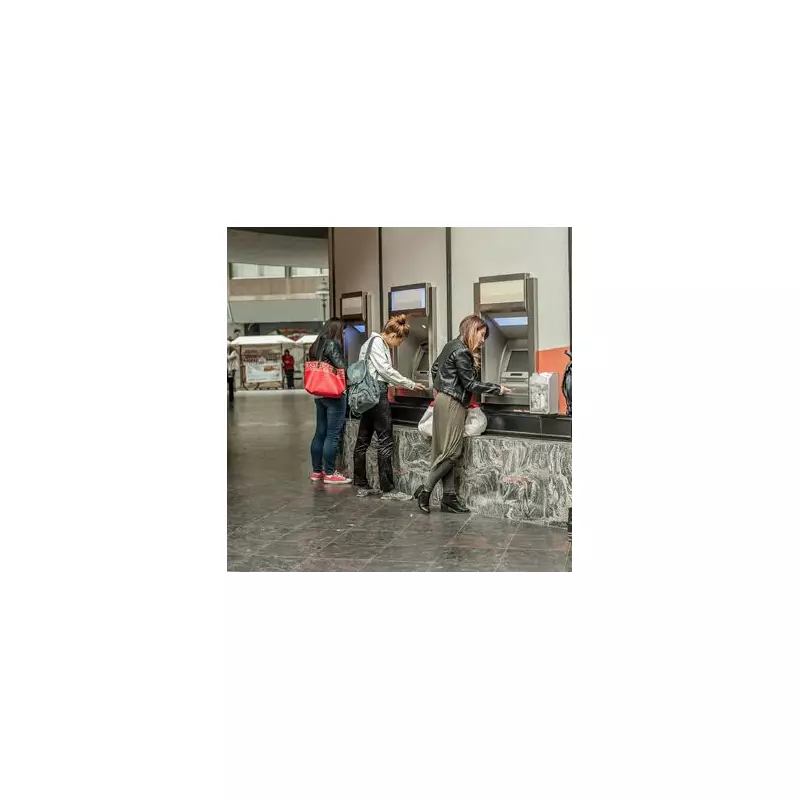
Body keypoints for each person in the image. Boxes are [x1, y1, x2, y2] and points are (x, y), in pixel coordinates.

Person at [414, 315, 512, 514]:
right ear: (471, 331)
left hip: (444, 399)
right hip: (453, 403)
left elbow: (435, 368)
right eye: (482, 335)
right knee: (452, 453)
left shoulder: (451, 345)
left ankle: (449, 498)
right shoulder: (462, 352)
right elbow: (470, 384)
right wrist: (497, 388)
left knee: (445, 451)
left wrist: (442, 388)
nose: (483, 340)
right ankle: (425, 489)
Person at [353, 314, 426, 500]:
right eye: (399, 341)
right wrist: (409, 383)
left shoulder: (369, 343)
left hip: (367, 395)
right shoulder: (378, 343)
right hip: (377, 395)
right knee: (385, 441)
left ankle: (361, 484)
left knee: (363, 440)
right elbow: (385, 371)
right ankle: (388, 489)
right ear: (393, 335)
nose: (399, 345)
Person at [308, 318, 352, 485]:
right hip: (333, 393)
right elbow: (341, 368)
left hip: (319, 393)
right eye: (343, 331)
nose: (344, 334)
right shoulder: (332, 344)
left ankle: (317, 471)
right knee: (332, 435)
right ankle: (330, 473)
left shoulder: (316, 345)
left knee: (320, 432)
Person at [227, 332, 240, 403]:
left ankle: (234, 388)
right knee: (232, 379)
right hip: (231, 367)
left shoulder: (233, 352)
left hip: (233, 367)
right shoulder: (232, 351)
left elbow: (229, 358)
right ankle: (233, 388)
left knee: (232, 379)